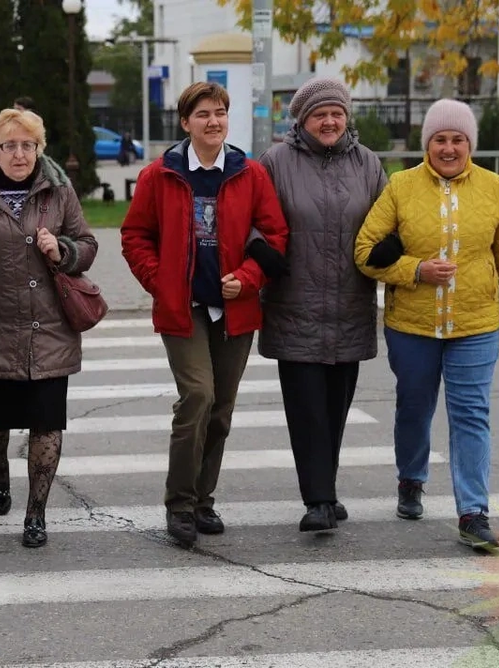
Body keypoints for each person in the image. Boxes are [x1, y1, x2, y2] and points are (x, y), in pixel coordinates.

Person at [354, 98, 499, 549]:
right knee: (414, 407)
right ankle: (411, 479)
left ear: (469, 144)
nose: (449, 148)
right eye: (440, 139)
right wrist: (415, 270)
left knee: (472, 415)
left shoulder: (493, 187)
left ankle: (473, 513)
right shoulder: (400, 186)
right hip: (411, 326)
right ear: (427, 144)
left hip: (475, 325)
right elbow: (364, 252)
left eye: (458, 139)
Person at [120, 82, 288, 548]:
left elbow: (275, 236)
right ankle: (178, 504)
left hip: (234, 309)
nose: (214, 121)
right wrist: (162, 281)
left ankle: (201, 499)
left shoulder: (249, 173)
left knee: (221, 410)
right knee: (197, 396)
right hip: (185, 308)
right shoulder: (161, 174)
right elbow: (135, 237)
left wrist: (249, 277)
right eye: (204, 114)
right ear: (185, 122)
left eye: (220, 113)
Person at [0, 108, 98, 548]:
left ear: (39, 148)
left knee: (47, 423)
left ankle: (36, 513)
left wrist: (64, 251)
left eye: (28, 145)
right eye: (9, 145)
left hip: (48, 327)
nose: (20, 154)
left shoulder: (58, 190)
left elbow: (88, 244)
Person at [256, 77, 387, 533]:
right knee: (307, 409)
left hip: (350, 305)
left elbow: (387, 222)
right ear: (302, 120)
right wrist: (262, 253)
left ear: (346, 117)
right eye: (319, 114)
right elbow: (255, 221)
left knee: (335, 406)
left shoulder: (368, 164)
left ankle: (325, 488)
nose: (329, 121)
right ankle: (318, 500)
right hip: (296, 303)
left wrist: (390, 248)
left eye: (336, 113)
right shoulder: (276, 162)